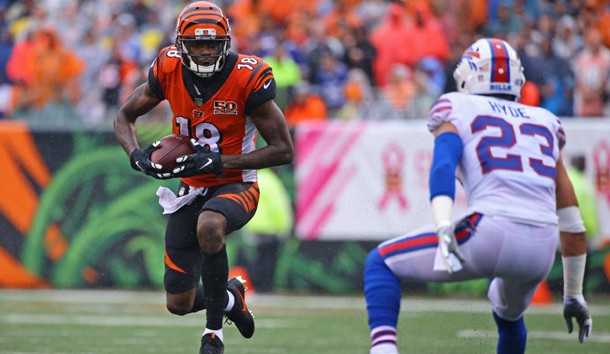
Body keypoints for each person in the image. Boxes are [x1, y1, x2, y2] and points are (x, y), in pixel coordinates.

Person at [364, 38, 592, 354]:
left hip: (490, 230)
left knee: (380, 263)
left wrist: (443, 224)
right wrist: (573, 294)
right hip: (541, 248)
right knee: (509, 315)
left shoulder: (457, 106)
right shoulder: (545, 121)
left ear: (470, 74)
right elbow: (571, 221)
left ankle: (383, 350)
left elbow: (442, 166)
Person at [113, 2, 294, 354]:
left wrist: (219, 161)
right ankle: (230, 299)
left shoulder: (247, 75)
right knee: (178, 302)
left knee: (210, 225)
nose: (206, 51)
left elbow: (284, 150)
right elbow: (124, 116)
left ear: (225, 42)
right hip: (191, 188)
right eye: (198, 44)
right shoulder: (167, 67)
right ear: (182, 45)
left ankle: (213, 334)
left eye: (212, 44)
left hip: (237, 182)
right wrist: (136, 157)